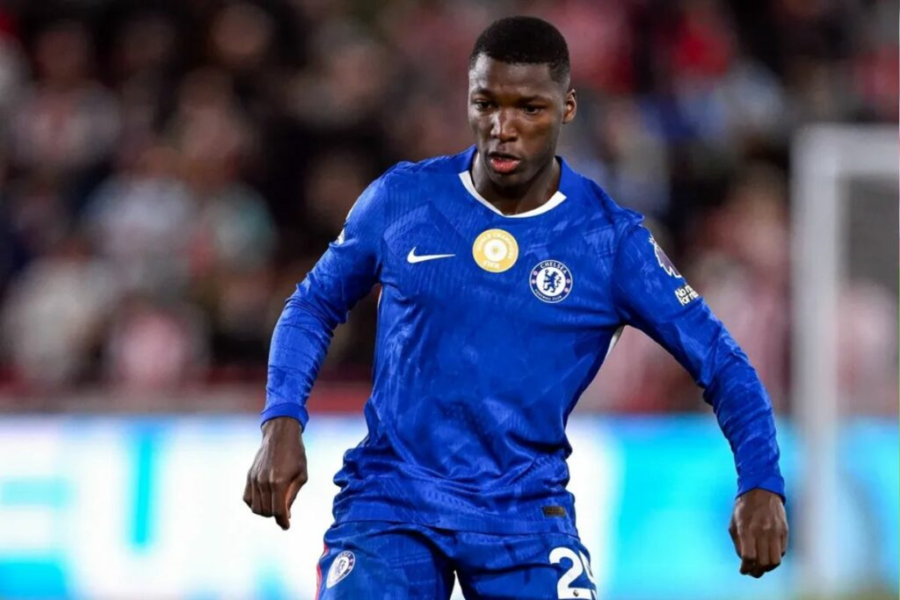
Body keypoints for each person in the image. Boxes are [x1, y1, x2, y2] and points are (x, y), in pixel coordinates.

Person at [244, 16, 788, 599]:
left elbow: (722, 362)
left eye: (529, 109)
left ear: (567, 108)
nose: (503, 129)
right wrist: (282, 419)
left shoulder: (610, 243)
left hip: (525, 515)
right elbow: (313, 305)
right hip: (394, 501)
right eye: (487, 104)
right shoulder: (403, 199)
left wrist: (761, 482)